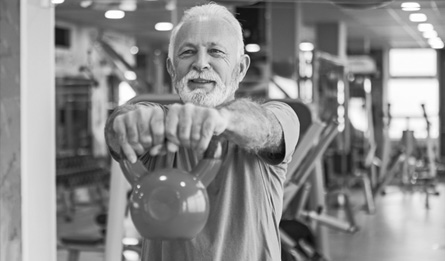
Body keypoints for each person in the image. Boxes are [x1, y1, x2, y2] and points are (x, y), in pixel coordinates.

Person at [104, 3, 300, 261]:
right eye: (187, 52)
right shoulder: (162, 123)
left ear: (240, 69)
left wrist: (220, 119)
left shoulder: (277, 116)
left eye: (216, 52)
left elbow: (266, 128)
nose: (201, 63)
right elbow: (121, 125)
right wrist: (125, 122)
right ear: (172, 69)